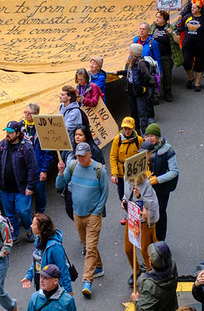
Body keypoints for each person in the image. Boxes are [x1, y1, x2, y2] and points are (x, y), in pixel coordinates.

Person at [56, 142, 108, 297]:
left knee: (90, 248)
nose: (80, 159)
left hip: (93, 216)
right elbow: (59, 185)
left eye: (83, 156)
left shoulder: (99, 170)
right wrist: (60, 172)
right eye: (78, 156)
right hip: (77, 213)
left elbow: (104, 193)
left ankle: (87, 281)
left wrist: (97, 212)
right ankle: (98, 266)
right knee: (87, 243)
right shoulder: (72, 166)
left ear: (89, 154)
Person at [0, 120, 37, 243]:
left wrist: (30, 186)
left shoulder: (26, 148)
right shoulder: (3, 144)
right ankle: (14, 233)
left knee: (23, 211)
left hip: (21, 188)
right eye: (7, 132)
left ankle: (29, 228)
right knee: (9, 214)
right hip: (5, 188)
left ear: (17, 134)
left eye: (11, 132)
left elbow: (32, 168)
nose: (7, 134)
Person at [141, 124, 178, 241]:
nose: (150, 138)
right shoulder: (146, 147)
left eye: (152, 136)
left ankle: (161, 239)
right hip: (149, 188)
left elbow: (174, 171)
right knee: (149, 212)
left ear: (158, 136)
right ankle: (150, 238)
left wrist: (158, 179)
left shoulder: (168, 150)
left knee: (160, 212)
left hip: (162, 189)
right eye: (148, 136)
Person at [21, 213, 73, 295]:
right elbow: (37, 260)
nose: (31, 226)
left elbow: (63, 269)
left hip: (53, 287)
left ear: (41, 229)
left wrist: (68, 290)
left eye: (33, 225)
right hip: (42, 283)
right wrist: (29, 275)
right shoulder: (38, 239)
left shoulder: (55, 247)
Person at [122, 172, 158, 287]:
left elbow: (152, 205)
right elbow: (126, 195)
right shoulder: (126, 179)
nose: (130, 181)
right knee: (128, 249)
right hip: (132, 218)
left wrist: (139, 197)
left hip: (144, 221)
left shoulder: (146, 184)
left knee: (145, 252)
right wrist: (124, 201)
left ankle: (151, 275)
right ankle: (136, 270)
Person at [177, 0, 204, 92]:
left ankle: (197, 83)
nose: (192, 9)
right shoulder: (187, 17)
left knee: (199, 64)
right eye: (191, 7)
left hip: (201, 46)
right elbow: (179, 29)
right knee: (186, 63)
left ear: (199, 9)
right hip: (187, 45)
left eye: (194, 8)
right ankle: (191, 78)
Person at [110, 116, 143, 224]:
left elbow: (142, 157)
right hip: (121, 173)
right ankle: (129, 214)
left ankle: (134, 216)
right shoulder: (117, 139)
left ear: (133, 128)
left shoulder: (138, 140)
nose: (127, 131)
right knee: (123, 196)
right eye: (125, 128)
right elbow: (113, 157)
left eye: (129, 129)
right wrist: (114, 173)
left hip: (133, 174)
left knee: (134, 195)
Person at [131, 242, 178, 311]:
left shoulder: (150, 285)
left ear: (150, 262)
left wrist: (136, 300)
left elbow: (143, 309)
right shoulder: (173, 267)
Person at [120, 44, 155, 133]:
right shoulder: (131, 62)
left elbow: (147, 75)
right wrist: (118, 72)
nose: (129, 51)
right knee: (133, 111)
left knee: (142, 112)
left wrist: (142, 85)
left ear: (134, 52)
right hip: (131, 91)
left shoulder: (141, 63)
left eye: (130, 50)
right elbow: (128, 72)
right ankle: (137, 130)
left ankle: (145, 131)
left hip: (139, 92)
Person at [150, 11, 176, 101]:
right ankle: (155, 95)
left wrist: (172, 34)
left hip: (165, 56)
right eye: (156, 17)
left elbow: (177, 40)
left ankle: (168, 93)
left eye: (159, 17)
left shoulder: (169, 28)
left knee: (167, 76)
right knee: (155, 76)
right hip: (154, 56)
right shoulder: (153, 27)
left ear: (164, 19)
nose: (157, 19)